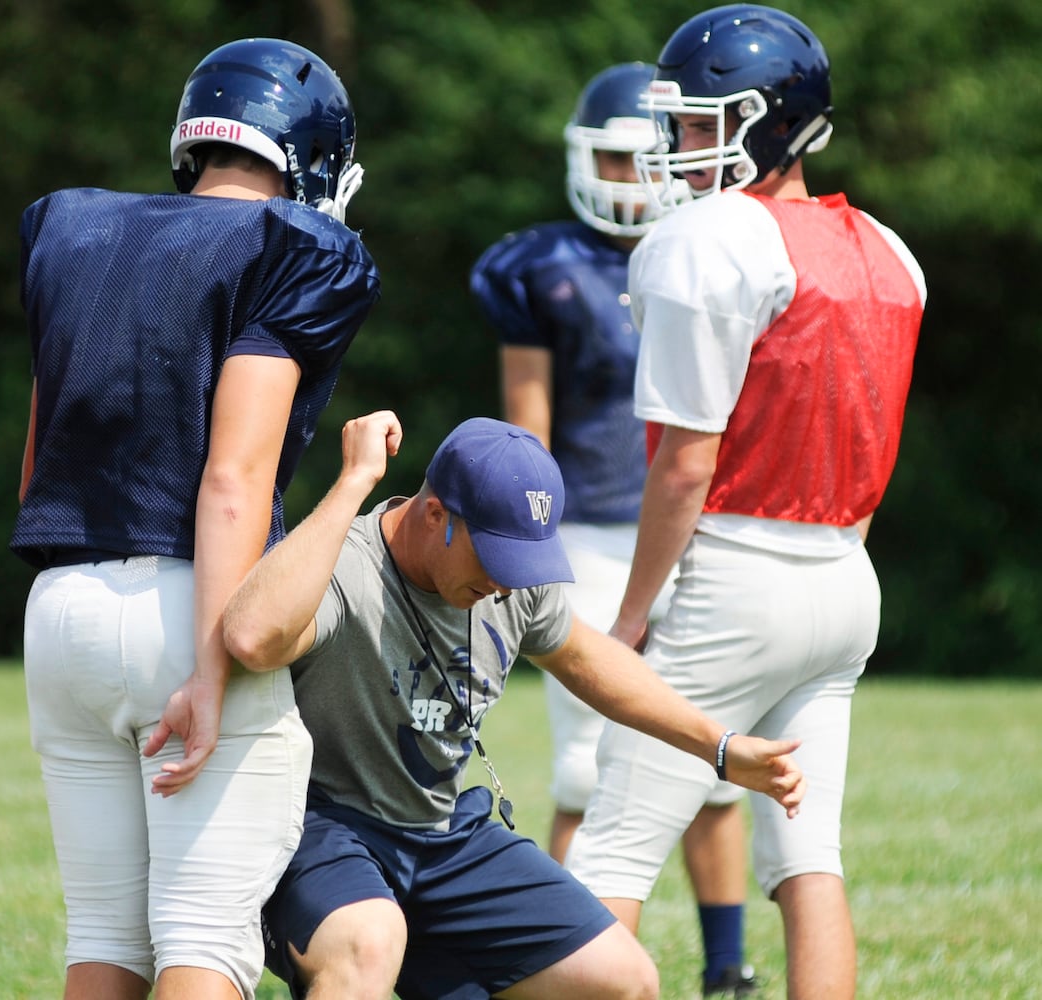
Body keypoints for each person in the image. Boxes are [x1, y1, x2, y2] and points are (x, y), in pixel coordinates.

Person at [562, 7, 927, 1000]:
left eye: (694, 124)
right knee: (808, 859)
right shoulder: (887, 248)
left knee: (608, 857)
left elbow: (685, 462)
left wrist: (631, 614)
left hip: (731, 571)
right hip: (845, 574)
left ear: (766, 121)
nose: (677, 148)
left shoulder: (711, 235)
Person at [11, 38, 379, 1000]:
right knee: (205, 937)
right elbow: (234, 478)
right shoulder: (298, 245)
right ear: (311, 159)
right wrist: (211, 667)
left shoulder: (73, 227)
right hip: (191, 603)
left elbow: (39, 447)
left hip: (61, 607)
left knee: (103, 936)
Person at [222, 410, 806, 1000]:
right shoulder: (348, 566)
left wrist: (722, 747)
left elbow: (586, 659)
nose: (506, 584)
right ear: (435, 515)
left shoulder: (514, 580)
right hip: (321, 826)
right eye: (495, 559)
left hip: (440, 832)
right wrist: (353, 482)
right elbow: (251, 637)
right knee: (368, 943)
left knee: (624, 980)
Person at [470, 61, 757, 996]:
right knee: (591, 769)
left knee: (710, 757)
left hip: (693, 533)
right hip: (587, 535)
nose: (630, 179)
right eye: (613, 160)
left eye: (643, 160)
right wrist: (525, 548)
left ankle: (728, 966)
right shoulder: (540, 267)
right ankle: (564, 961)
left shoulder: (708, 249)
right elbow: (528, 427)